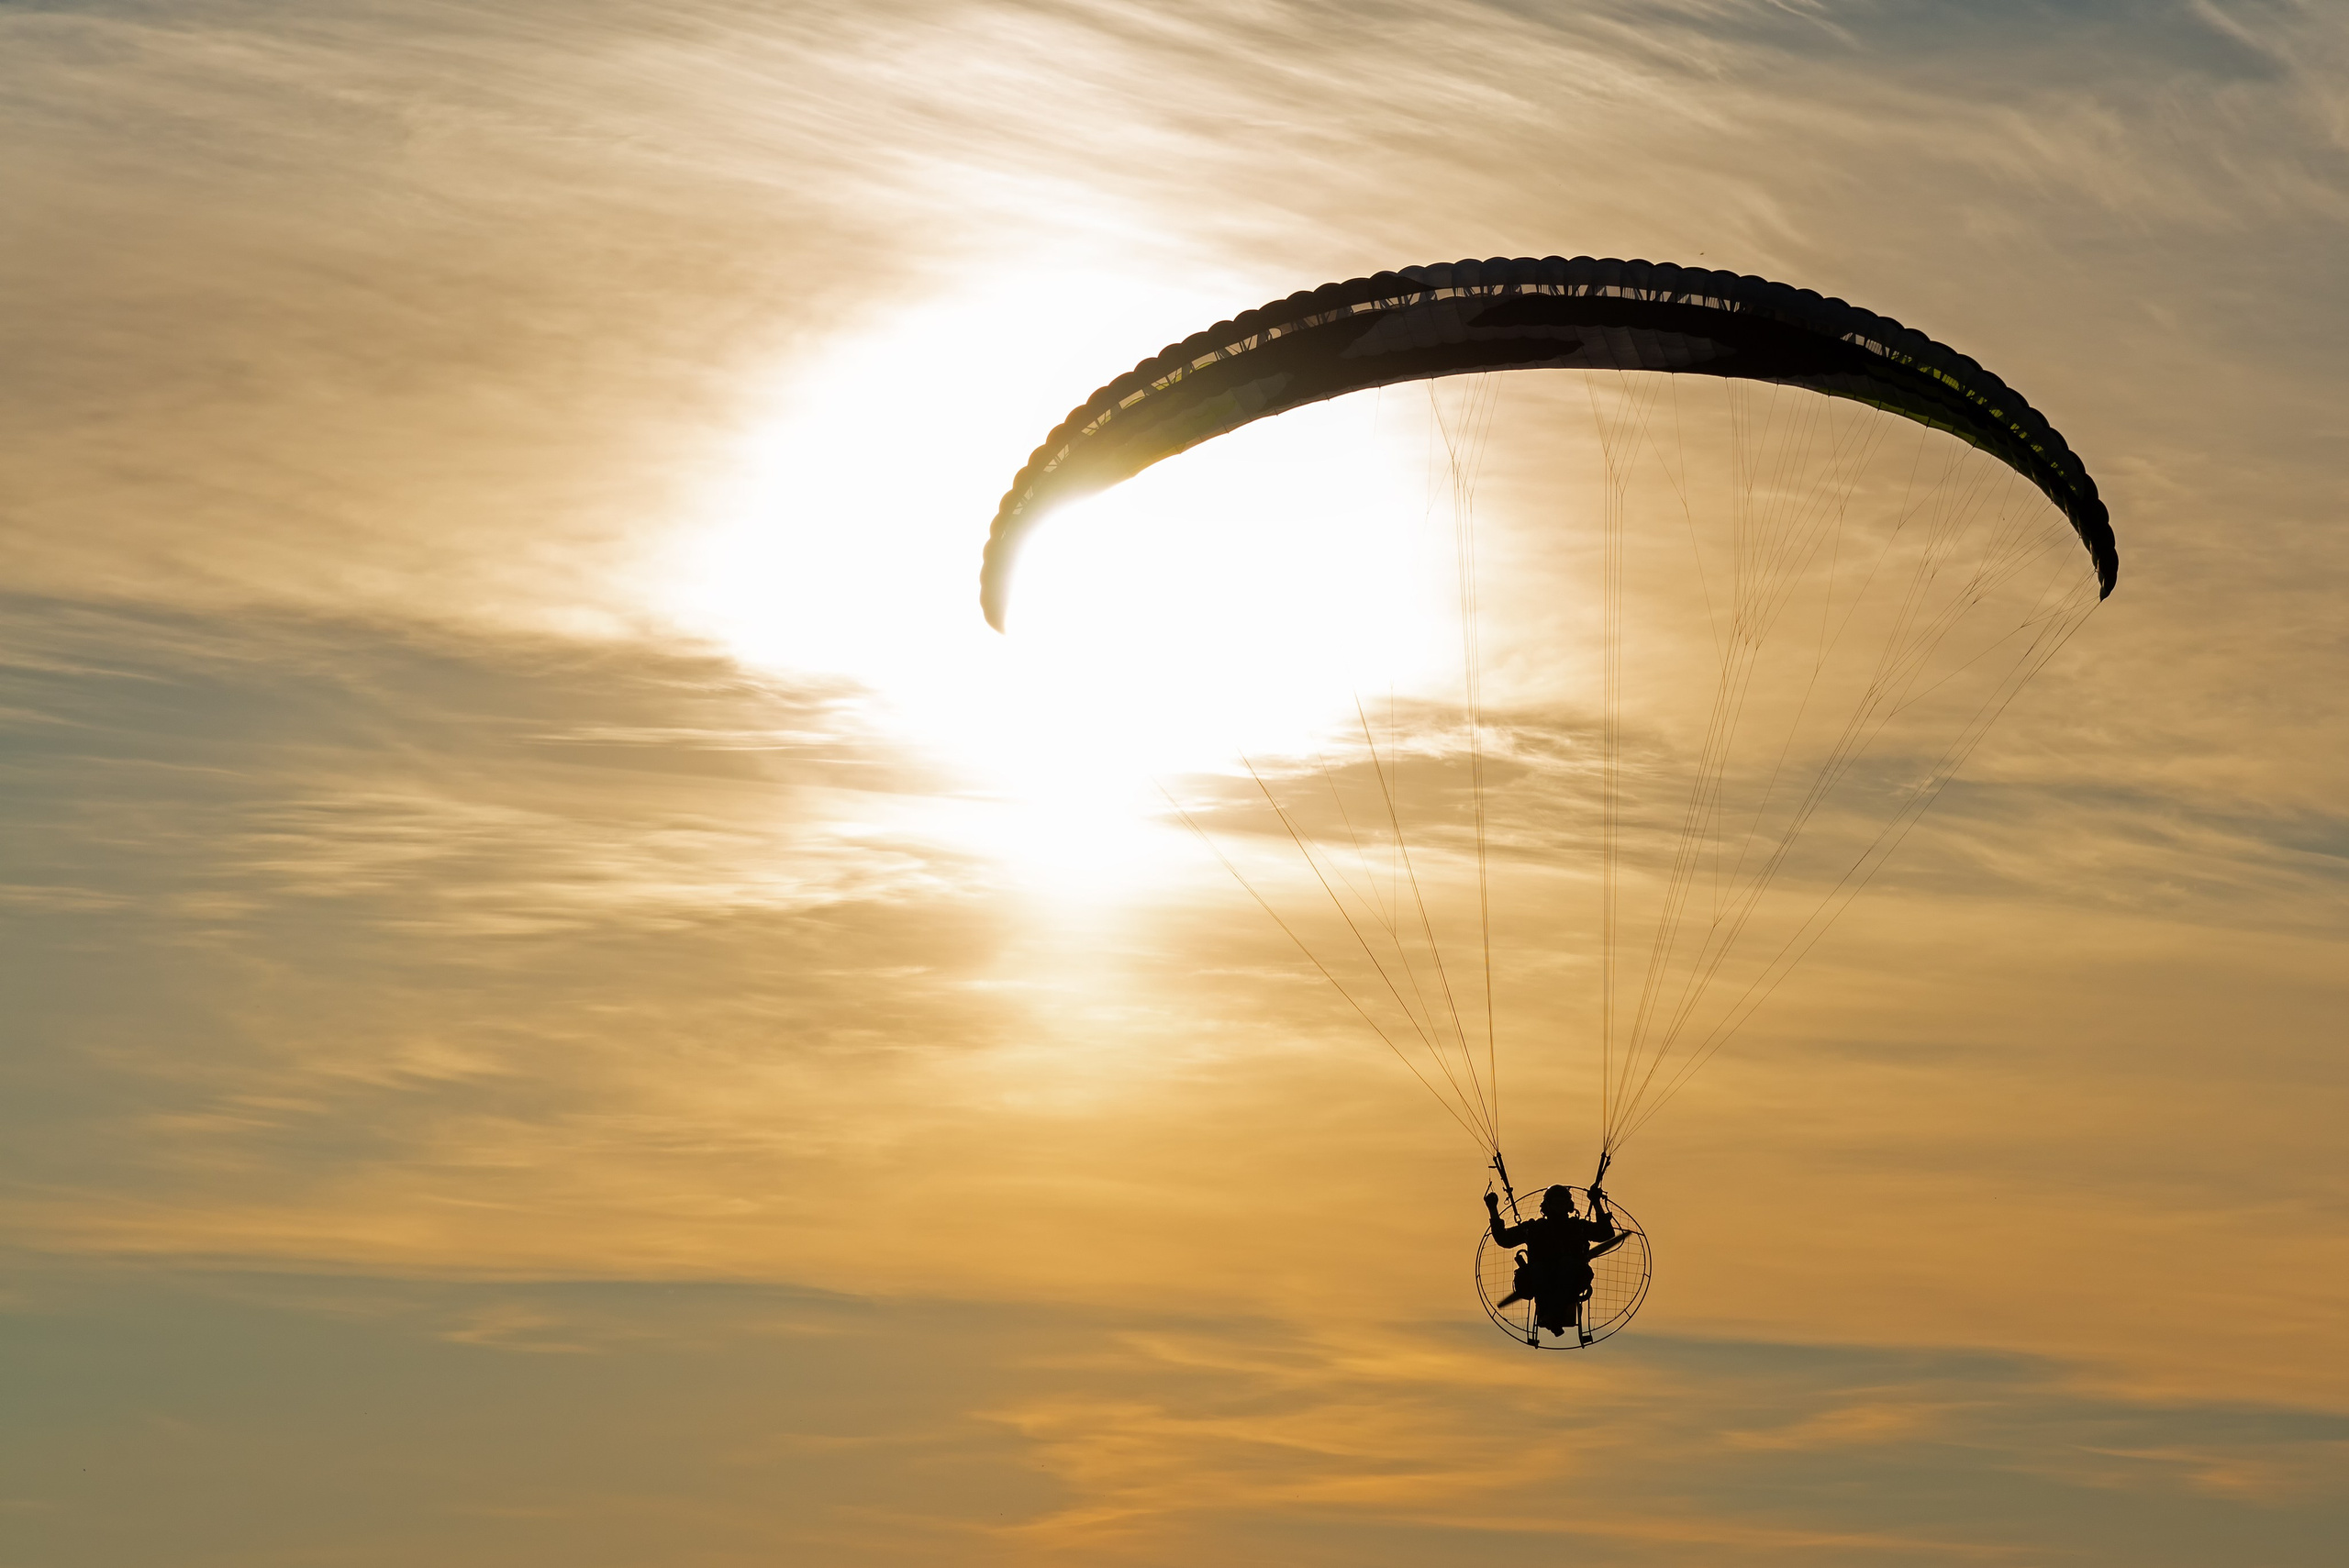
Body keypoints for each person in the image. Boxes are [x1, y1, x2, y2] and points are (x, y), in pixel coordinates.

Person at [1486, 1184, 1617, 1340]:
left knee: (1568, 1265)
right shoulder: (1534, 1228)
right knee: (1541, 1270)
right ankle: (1551, 1315)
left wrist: (1596, 1202)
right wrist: (1492, 1209)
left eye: (1563, 1202)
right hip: (1541, 1280)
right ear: (1547, 1205)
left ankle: (1552, 1315)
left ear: (1569, 1205)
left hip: (1570, 1280)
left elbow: (1606, 1233)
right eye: (1556, 1202)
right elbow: (1504, 1239)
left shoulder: (1578, 1227)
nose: (1559, 1206)